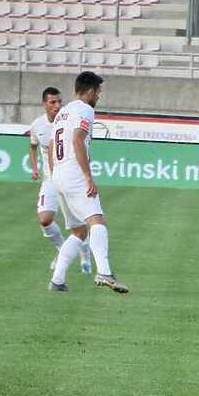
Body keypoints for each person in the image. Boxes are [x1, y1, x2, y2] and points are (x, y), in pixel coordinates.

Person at [48, 72, 128, 294]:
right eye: (98, 92)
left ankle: (57, 280)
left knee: (79, 232)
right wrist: (87, 176)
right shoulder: (85, 109)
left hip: (59, 175)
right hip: (74, 173)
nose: (99, 97)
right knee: (97, 221)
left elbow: (52, 145)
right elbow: (77, 139)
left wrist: (56, 175)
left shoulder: (62, 112)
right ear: (91, 91)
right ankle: (104, 272)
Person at [28, 87, 92, 274]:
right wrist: (34, 168)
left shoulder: (66, 119)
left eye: (59, 102)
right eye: (52, 102)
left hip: (68, 178)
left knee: (77, 224)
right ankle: (62, 250)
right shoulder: (37, 125)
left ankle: (85, 256)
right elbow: (32, 146)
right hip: (50, 179)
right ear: (44, 104)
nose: (57, 105)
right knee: (45, 219)